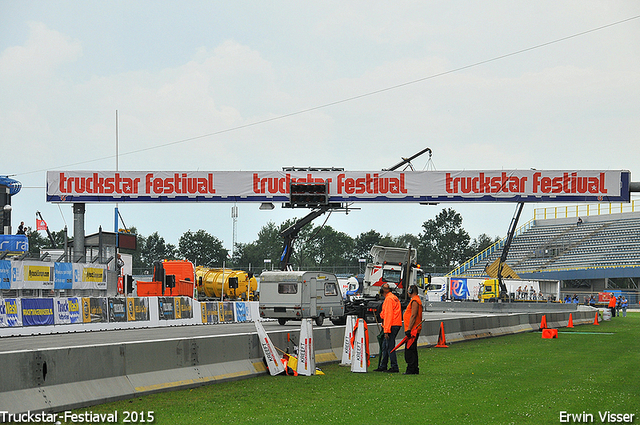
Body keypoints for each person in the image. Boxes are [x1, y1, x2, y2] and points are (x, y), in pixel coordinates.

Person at [373, 283, 402, 373]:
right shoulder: (393, 298)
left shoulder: (389, 299)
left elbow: (389, 315)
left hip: (391, 325)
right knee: (385, 346)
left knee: (389, 346)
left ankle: (394, 366)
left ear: (385, 290)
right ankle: (383, 365)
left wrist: (386, 330)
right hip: (394, 324)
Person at [403, 285, 423, 375]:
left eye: (408, 290)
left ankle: (411, 368)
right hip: (414, 329)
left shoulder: (415, 301)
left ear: (411, 291)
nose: (407, 292)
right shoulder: (415, 300)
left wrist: (409, 329)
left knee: (409, 350)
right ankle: (414, 368)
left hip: (413, 330)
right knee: (413, 349)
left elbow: (413, 315)